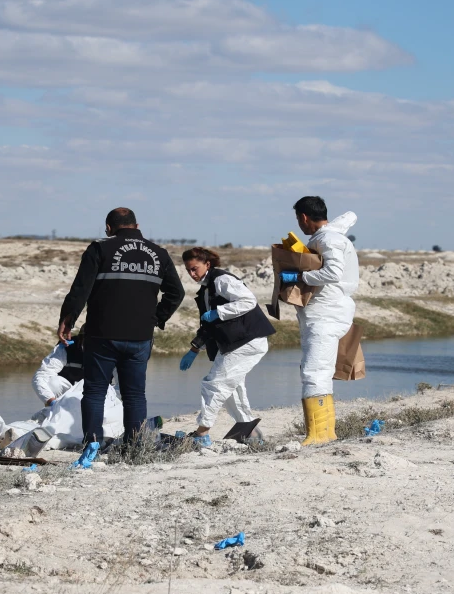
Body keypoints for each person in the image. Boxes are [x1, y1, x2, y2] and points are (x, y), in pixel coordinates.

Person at [58, 207, 185, 465]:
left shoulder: (99, 249)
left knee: (94, 392)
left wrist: (67, 320)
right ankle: (135, 450)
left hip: (102, 334)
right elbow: (177, 293)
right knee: (134, 395)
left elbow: (80, 290)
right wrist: (157, 317)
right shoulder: (158, 253)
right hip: (140, 336)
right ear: (137, 225)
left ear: (108, 228)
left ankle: (92, 443)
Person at [280, 196, 359, 445]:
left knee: (316, 372)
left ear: (304, 218)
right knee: (317, 370)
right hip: (327, 313)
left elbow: (333, 272)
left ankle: (319, 434)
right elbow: (347, 219)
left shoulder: (328, 239)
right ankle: (324, 432)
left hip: (326, 315)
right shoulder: (330, 236)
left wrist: (302, 276)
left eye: (298, 220)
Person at [179, 247, 275, 445]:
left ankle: (202, 434)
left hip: (247, 340)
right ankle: (251, 433)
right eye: (188, 270)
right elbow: (207, 325)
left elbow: (248, 300)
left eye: (194, 269)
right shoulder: (206, 289)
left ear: (207, 264)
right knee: (231, 388)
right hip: (235, 343)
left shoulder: (221, 280)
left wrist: (219, 312)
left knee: (214, 384)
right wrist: (194, 349)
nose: (191, 274)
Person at [32, 328, 85, 405]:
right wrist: (51, 402)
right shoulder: (66, 347)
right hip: (68, 392)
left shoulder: (108, 351)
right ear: (81, 339)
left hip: (97, 393)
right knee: (53, 383)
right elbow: (42, 376)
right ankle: (54, 408)